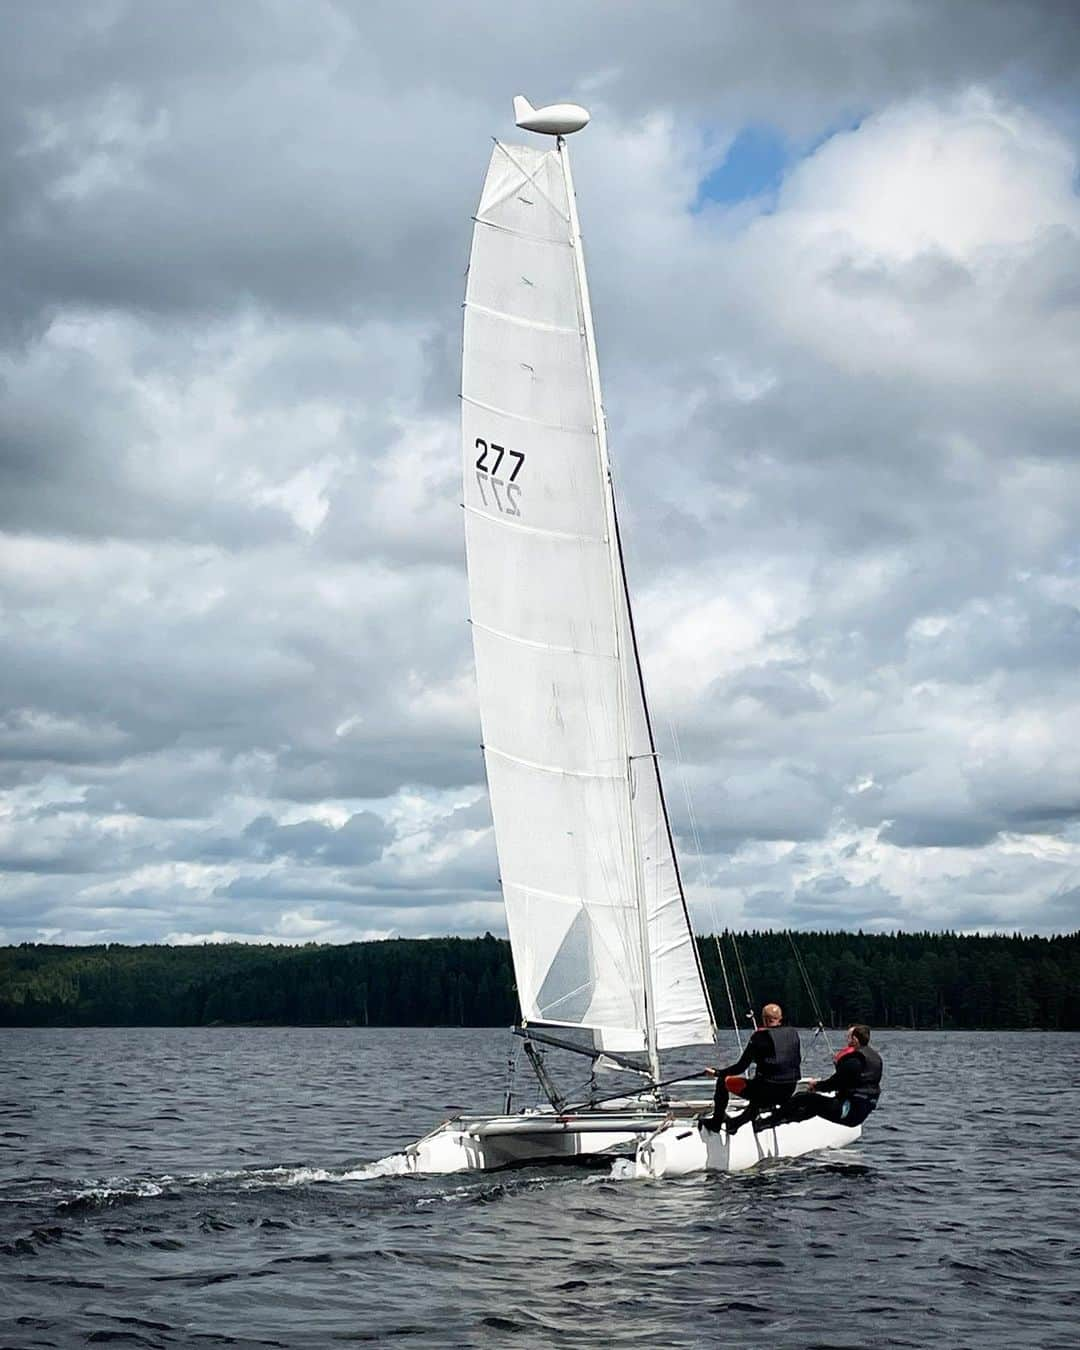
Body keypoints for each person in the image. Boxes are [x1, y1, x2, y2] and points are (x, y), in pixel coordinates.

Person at [700, 1003, 801, 1135]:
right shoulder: (793, 1033)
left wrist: (717, 1073)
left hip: (764, 1093)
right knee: (761, 1088)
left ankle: (716, 1123)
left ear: (763, 1019)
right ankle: (737, 1123)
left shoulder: (759, 1037)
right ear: (780, 1018)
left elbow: (740, 1067)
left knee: (723, 1081)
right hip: (788, 1091)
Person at [763, 1023, 882, 1130]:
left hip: (848, 1110)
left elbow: (836, 1082)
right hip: (861, 1109)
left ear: (855, 1039)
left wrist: (816, 1086)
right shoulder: (875, 1058)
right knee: (814, 1107)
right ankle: (782, 1120)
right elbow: (854, 1081)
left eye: (848, 1036)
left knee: (802, 1098)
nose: (847, 1039)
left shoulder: (855, 1060)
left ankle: (767, 1122)